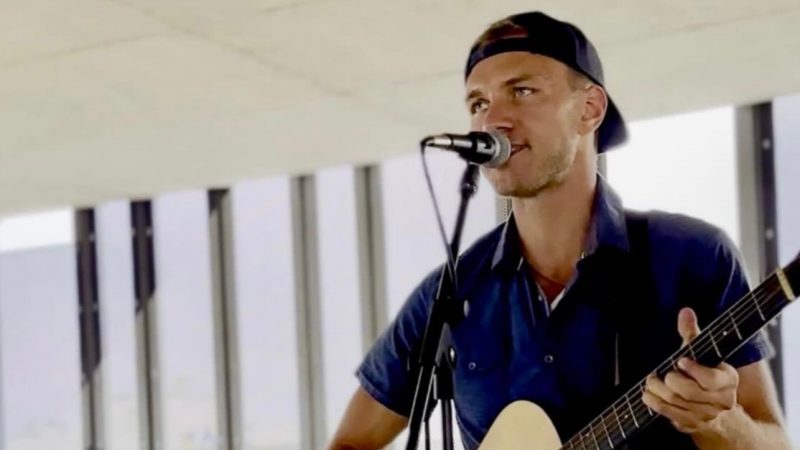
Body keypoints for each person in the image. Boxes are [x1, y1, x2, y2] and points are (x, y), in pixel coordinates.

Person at [328, 11, 791, 450]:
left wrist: (717, 421)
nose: (493, 120)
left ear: (590, 109)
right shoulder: (448, 296)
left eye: (522, 90)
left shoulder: (693, 255)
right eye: (478, 102)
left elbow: (773, 442)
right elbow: (350, 442)